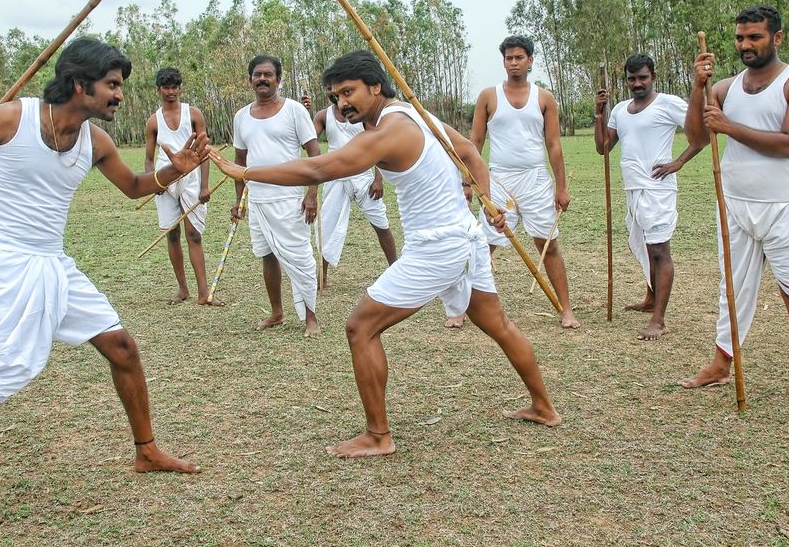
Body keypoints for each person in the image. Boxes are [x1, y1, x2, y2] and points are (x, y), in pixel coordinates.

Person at [0, 38, 206, 528]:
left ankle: (147, 451)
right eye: (112, 85)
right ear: (80, 84)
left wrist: (173, 172)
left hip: (52, 261)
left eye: (120, 86)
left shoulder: (95, 141)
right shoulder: (12, 118)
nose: (119, 95)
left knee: (122, 347)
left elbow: (134, 187)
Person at [209, 51, 560, 458]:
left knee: (360, 327)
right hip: (466, 238)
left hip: (438, 248)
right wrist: (486, 200)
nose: (342, 103)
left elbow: (318, 169)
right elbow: (467, 150)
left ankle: (378, 435)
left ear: (376, 86)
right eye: (336, 96)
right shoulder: (414, 113)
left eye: (349, 92)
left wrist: (246, 172)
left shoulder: (389, 131)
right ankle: (543, 407)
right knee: (497, 324)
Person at [679, 5, 789, 418]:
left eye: (754, 37)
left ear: (777, 38)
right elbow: (696, 136)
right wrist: (698, 88)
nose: (745, 45)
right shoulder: (724, 88)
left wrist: (729, 127)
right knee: (731, 291)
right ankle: (720, 365)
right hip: (736, 206)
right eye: (740, 38)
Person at [449, 35, 579, 330]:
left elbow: (554, 145)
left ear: (530, 60)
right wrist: (467, 182)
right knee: (485, 244)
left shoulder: (544, 98)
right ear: (503, 62)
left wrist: (561, 187)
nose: (514, 63)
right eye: (509, 58)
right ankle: (460, 307)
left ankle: (566, 309)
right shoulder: (488, 97)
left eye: (519, 57)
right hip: (498, 179)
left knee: (547, 244)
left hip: (535, 180)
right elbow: (474, 142)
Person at [593, 54, 701, 340]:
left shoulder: (667, 103)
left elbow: (701, 132)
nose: (637, 84)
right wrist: (599, 114)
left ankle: (659, 320)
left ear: (653, 76)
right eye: (632, 79)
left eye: (643, 77)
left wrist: (679, 162)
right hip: (632, 188)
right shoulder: (620, 109)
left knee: (659, 250)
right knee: (643, 245)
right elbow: (603, 147)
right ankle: (651, 299)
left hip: (658, 189)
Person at [231, 55, 321, 337]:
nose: (262, 79)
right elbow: (239, 162)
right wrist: (239, 200)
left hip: (289, 199)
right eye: (257, 75)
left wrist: (312, 194)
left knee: (300, 257)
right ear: (250, 80)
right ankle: (277, 313)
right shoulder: (241, 116)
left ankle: (311, 317)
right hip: (258, 200)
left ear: (279, 80)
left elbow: (314, 154)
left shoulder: (294, 110)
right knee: (267, 255)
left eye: (268, 74)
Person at [305, 91, 398, 286]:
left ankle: (396, 269)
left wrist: (378, 179)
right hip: (334, 178)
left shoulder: (360, 115)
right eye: (331, 90)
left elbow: (378, 145)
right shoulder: (323, 116)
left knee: (381, 223)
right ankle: (322, 277)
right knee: (327, 226)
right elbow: (308, 144)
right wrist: (304, 113)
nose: (335, 94)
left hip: (363, 178)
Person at [144, 67, 219, 305]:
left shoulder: (193, 114)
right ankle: (182, 289)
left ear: (180, 88)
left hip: (191, 177)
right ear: (158, 90)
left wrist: (204, 186)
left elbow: (204, 151)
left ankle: (204, 293)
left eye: (175, 87)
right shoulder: (153, 121)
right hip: (165, 178)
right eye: (166, 87)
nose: (171, 92)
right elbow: (148, 159)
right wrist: (153, 182)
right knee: (172, 233)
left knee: (194, 234)